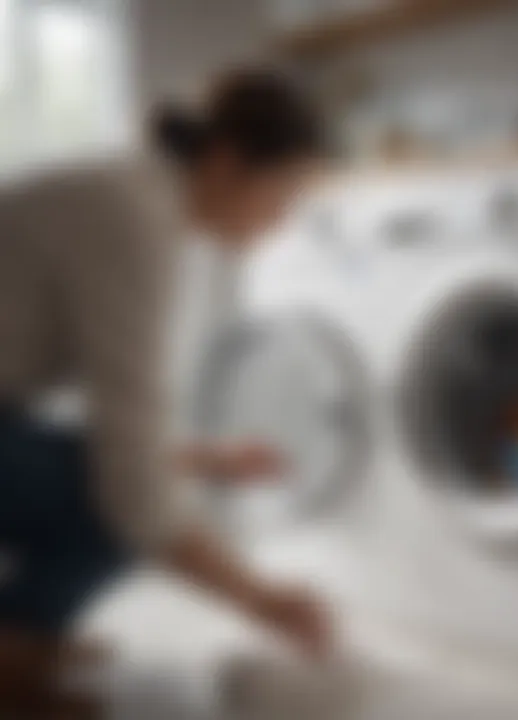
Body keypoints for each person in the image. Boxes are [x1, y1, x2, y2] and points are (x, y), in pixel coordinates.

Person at [0, 67, 334, 717]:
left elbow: (120, 437)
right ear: (230, 162)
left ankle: (24, 636)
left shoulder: (133, 195)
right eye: (284, 193)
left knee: (111, 479)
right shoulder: (133, 219)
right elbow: (134, 490)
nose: (283, 220)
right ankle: (14, 647)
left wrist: (209, 458)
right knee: (121, 505)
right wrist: (260, 598)